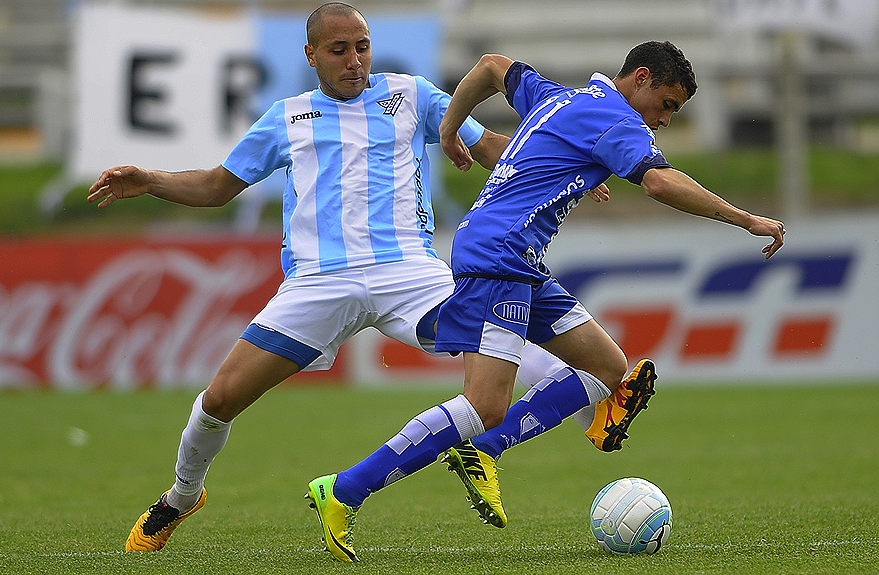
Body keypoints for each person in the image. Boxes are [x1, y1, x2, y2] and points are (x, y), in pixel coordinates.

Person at [88, 1, 608, 556]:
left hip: (410, 273)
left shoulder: (412, 95)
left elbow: (494, 150)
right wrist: (149, 180)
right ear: (311, 55)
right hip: (318, 283)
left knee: (514, 345)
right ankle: (181, 495)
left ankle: (579, 412)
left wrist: (566, 167)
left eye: (362, 46)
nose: (355, 60)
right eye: (340, 50)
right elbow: (216, 187)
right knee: (218, 401)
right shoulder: (286, 118)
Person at [307, 41, 786, 562]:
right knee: (485, 406)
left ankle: (513, 441)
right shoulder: (616, 118)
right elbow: (659, 182)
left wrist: (451, 129)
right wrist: (746, 219)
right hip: (500, 256)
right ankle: (346, 489)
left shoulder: (560, 98)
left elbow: (492, 67)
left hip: (516, 258)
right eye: (667, 105)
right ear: (640, 78)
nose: (665, 120)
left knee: (608, 365)